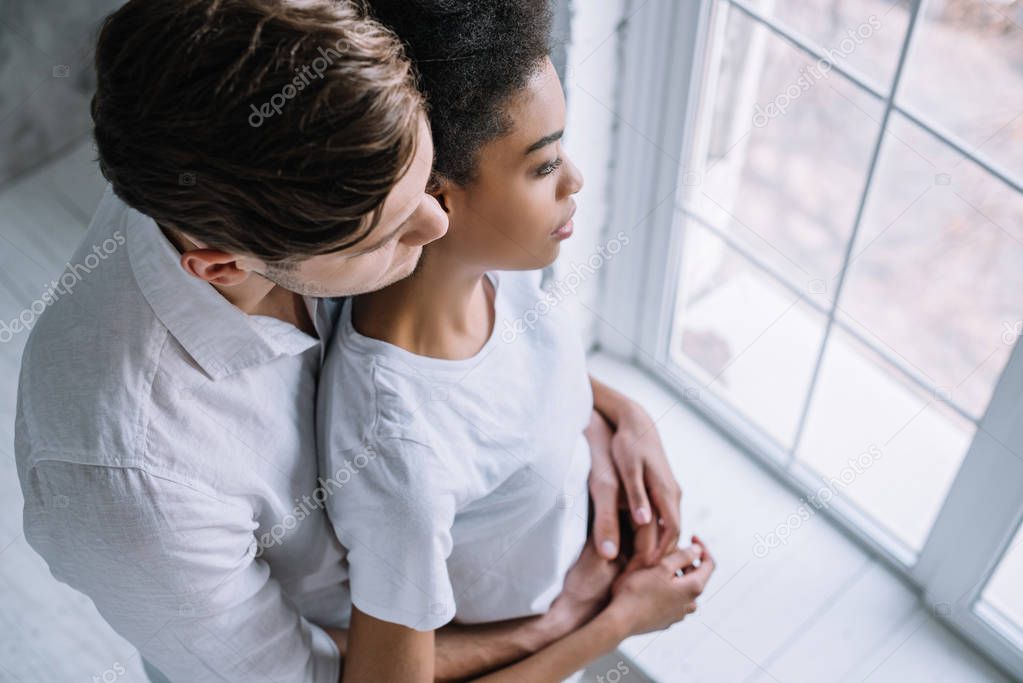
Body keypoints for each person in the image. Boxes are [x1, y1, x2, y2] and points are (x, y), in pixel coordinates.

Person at [14, 1, 699, 681]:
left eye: (425, 184)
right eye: (388, 232)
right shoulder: (131, 488)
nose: (437, 225)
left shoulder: (278, 81)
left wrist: (597, 413)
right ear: (223, 265)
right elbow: (323, 677)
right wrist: (576, 618)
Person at [319, 1, 715, 681]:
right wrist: (611, 619)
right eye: (542, 165)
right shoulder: (400, 456)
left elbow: (502, 387)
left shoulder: (493, 268)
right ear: (437, 199)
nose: (575, 179)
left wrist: (616, 416)